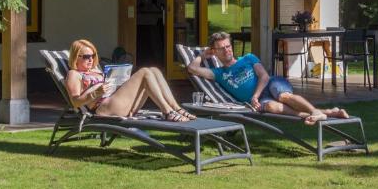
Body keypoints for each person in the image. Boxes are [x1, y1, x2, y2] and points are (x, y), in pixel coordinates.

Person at [186, 32, 350, 125]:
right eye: (221, 48)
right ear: (215, 52)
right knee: (272, 106)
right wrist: (202, 54)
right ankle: (328, 113)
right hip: (260, 100)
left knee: (283, 96)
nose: (227, 50)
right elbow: (192, 68)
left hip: (270, 84)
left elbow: (263, 76)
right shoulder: (219, 73)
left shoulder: (248, 58)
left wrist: (255, 96)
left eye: (228, 46)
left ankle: (315, 112)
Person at [64, 39, 195, 122]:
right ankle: (167, 112)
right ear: (76, 57)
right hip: (105, 107)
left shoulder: (96, 70)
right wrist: (95, 92)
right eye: (87, 56)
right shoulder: (74, 74)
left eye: (93, 55)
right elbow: (75, 102)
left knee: (154, 70)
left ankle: (176, 108)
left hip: (119, 102)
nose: (91, 59)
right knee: (144, 72)